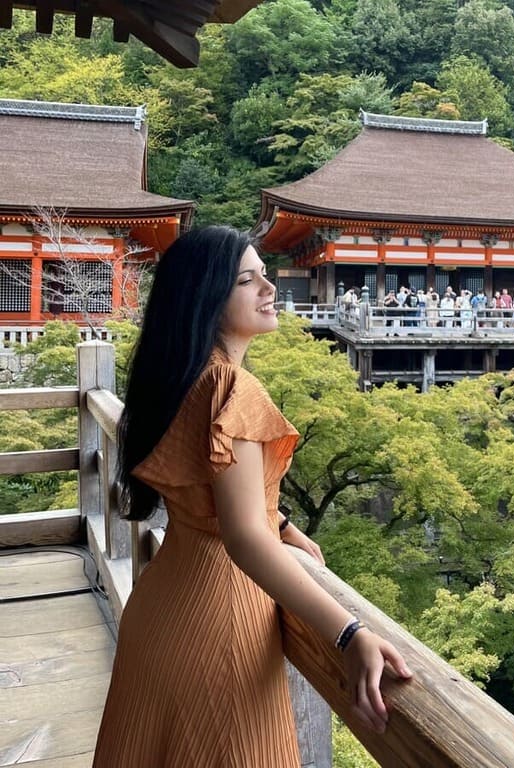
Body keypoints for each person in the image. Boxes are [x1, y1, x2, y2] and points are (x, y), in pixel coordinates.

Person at [93, 226, 411, 767]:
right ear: (206, 298)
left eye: (265, 274)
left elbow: (211, 492)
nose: (270, 288)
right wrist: (349, 631)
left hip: (163, 610)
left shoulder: (183, 378)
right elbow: (242, 538)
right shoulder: (232, 388)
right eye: (248, 279)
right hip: (219, 622)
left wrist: (281, 525)